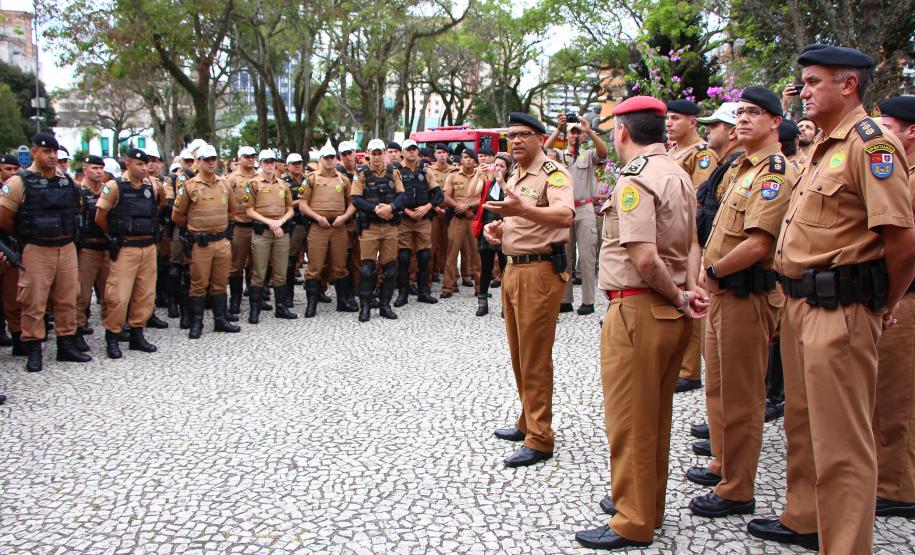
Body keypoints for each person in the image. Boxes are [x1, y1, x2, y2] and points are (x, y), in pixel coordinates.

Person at [749, 45, 915, 554]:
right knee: (805, 427)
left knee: (843, 446)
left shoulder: (872, 145)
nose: (803, 91)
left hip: (840, 309)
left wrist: (880, 305)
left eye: (815, 81)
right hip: (802, 306)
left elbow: (902, 241)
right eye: (803, 82)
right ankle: (805, 519)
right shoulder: (824, 146)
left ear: (849, 85)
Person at [575, 96, 708, 551]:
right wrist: (689, 292)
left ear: (622, 132)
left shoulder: (637, 179)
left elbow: (645, 258)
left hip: (638, 308)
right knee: (655, 417)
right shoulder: (677, 172)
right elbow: (692, 244)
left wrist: (676, 293)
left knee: (630, 420)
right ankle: (647, 504)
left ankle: (632, 521)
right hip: (668, 311)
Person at [686, 87, 796, 519]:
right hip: (723, 293)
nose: (745, 118)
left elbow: (758, 243)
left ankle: (737, 487)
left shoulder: (774, 172)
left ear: (775, 121)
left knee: (742, 394)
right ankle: (723, 462)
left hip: (746, 292)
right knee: (718, 386)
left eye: (756, 112)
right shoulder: (741, 169)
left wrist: (711, 274)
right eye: (742, 112)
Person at [482, 112, 573, 468]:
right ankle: (527, 420)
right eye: (511, 137)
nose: (516, 141)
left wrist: (524, 210)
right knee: (520, 353)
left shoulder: (553, 173)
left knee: (535, 357)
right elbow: (525, 217)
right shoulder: (517, 174)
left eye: (523, 135)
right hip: (514, 270)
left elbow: (565, 215)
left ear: (540, 137)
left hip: (540, 272)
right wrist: (502, 228)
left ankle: (540, 437)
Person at [0, 133, 92, 371]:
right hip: (36, 248)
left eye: (54, 152)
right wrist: (25, 237)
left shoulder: (66, 181)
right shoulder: (20, 182)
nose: (52, 157)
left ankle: (66, 344)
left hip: (66, 246)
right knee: (34, 300)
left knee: (68, 297)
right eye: (46, 152)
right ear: (34, 152)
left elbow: (77, 208)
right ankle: (33, 349)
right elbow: (5, 218)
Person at [871, 95, 915, 518]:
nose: (880, 133)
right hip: (896, 292)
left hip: (907, 295)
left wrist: (891, 299)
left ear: (910, 131)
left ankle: (900, 488)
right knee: (884, 391)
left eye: (888, 126)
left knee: (898, 395)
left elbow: (905, 246)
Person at [667, 98, 719, 393]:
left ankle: (690, 369)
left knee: (691, 292)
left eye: (675, 118)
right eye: (668, 119)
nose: (669, 124)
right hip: (671, 232)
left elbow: (699, 195)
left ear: (692, 122)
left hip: (689, 232)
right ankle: (681, 363)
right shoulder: (673, 151)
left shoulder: (702, 154)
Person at [94, 148, 166, 359]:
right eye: (139, 164)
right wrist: (114, 236)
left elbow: (159, 208)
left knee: (144, 294)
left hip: (148, 246)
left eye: (146, 164)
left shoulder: (152, 186)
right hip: (125, 247)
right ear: (128, 165)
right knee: (118, 295)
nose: (144, 168)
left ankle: (137, 333)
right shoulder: (114, 186)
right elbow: (100, 216)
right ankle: (113, 337)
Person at [171, 144, 240, 339]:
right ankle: (196, 322)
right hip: (200, 243)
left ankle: (220, 320)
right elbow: (177, 216)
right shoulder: (189, 186)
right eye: (206, 159)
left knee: (220, 282)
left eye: (213, 159)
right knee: (198, 284)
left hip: (221, 241)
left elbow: (232, 211)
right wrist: (196, 227)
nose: (211, 163)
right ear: (198, 162)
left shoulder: (225, 184)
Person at [545, 112, 609, 315]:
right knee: (566, 255)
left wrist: (590, 130)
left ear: (583, 136)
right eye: (571, 132)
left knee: (588, 256)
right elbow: (544, 149)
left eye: (578, 133)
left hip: (584, 208)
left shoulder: (587, 154)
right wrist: (557, 129)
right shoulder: (559, 155)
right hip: (564, 209)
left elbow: (604, 152)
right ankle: (565, 299)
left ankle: (588, 301)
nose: (574, 136)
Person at [298, 145, 357, 317]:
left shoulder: (344, 180)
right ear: (320, 160)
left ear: (336, 159)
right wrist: (317, 218)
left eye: (332, 157)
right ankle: (311, 305)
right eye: (326, 157)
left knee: (340, 266)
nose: (330, 160)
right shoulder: (311, 179)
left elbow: (353, 202)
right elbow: (302, 204)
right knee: (315, 266)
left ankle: (342, 302)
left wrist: (345, 217)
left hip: (339, 226)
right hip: (319, 227)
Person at [351, 139, 405, 322]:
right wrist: (376, 210)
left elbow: (402, 196)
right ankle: (365, 307)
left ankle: (385, 305)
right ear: (368, 153)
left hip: (389, 227)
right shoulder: (361, 173)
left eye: (379, 153)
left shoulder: (394, 172)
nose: (376, 157)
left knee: (390, 268)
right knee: (367, 269)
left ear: (384, 153)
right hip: (370, 227)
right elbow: (356, 199)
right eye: (373, 153)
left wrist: (390, 208)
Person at [244, 150, 297, 323]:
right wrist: (269, 222)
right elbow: (249, 210)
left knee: (280, 271)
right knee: (259, 272)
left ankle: (280, 307)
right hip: (263, 232)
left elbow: (290, 208)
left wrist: (281, 221)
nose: (269, 165)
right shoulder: (253, 184)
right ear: (260, 163)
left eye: (272, 162)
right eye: (266, 161)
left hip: (281, 231)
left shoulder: (283, 185)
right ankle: (255, 310)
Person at [394, 139, 443, 307]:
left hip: (423, 218)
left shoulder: (426, 171)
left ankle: (424, 292)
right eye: (408, 149)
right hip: (404, 218)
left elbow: (438, 194)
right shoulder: (396, 171)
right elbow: (391, 196)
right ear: (403, 152)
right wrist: (406, 211)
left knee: (424, 256)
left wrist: (427, 207)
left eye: (414, 149)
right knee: (404, 256)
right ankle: (403, 293)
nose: (412, 152)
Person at [471, 152, 511, 316]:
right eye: (496, 165)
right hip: (486, 228)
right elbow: (472, 192)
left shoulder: (511, 183)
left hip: (505, 230)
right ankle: (482, 302)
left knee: (505, 269)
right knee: (485, 267)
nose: (498, 169)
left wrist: (502, 182)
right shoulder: (487, 183)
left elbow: (511, 197)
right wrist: (477, 174)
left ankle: (506, 305)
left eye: (502, 166)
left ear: (508, 169)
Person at [225, 146, 262, 317]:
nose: (250, 159)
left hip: (259, 226)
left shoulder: (262, 177)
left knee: (258, 265)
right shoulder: (231, 179)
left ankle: (257, 300)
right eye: (246, 156)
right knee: (236, 266)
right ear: (239, 159)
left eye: (252, 156)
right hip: (240, 226)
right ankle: (235, 300)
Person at [441, 150, 482, 298]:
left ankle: (479, 288)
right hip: (457, 218)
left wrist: (469, 206)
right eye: (465, 157)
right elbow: (446, 197)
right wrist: (461, 208)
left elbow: (483, 196)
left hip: (474, 218)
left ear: (475, 161)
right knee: (451, 253)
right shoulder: (453, 175)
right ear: (461, 160)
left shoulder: (481, 175)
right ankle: (448, 287)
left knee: (476, 254)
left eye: (471, 158)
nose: (468, 160)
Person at [282, 152, 309, 308]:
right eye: (294, 163)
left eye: (299, 163)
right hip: (294, 224)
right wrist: (302, 201)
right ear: (288, 166)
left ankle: (317, 293)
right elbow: (284, 204)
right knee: (290, 260)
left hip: (310, 222)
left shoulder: (308, 180)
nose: (297, 165)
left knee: (315, 260)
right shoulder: (284, 183)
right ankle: (288, 295)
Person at [429, 144, 456, 283]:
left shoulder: (454, 170)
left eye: (444, 152)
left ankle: (447, 276)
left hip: (449, 212)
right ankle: (431, 273)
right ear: (435, 155)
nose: (441, 155)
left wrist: (447, 209)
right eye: (438, 152)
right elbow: (427, 193)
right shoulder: (429, 170)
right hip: (433, 211)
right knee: (432, 245)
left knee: (447, 245)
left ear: (448, 155)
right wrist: (435, 208)